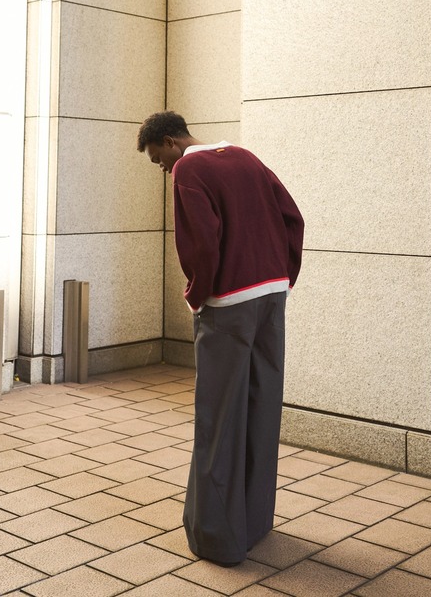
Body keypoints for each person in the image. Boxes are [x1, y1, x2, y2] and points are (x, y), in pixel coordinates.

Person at [137, 111, 304, 567]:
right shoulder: (247, 157)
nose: (164, 169)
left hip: (228, 303)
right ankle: (254, 524)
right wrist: (283, 276)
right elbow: (293, 216)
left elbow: (202, 244)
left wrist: (197, 294)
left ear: (171, 142)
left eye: (159, 160)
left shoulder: (191, 168)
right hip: (270, 296)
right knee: (262, 407)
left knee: (219, 415)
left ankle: (218, 540)